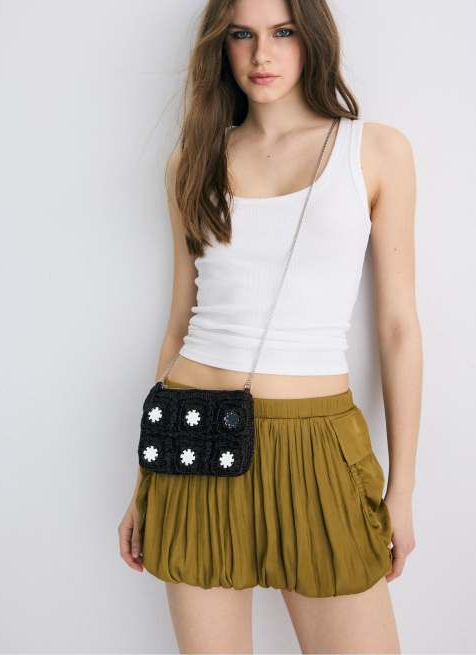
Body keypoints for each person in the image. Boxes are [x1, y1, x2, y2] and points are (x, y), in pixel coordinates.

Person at [119, 0, 421, 652]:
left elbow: (398, 327)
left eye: (283, 32)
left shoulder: (374, 150)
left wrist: (401, 490)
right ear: (221, 46)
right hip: (191, 443)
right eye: (242, 35)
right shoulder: (191, 162)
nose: (262, 54)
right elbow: (178, 325)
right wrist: (143, 483)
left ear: (311, 38)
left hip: (317, 447)